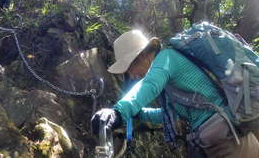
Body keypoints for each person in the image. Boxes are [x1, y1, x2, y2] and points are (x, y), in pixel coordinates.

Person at [91, 30, 259, 158]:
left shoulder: (167, 58)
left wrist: (118, 112)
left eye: (129, 70)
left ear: (140, 56)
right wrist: (139, 113)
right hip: (218, 142)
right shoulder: (170, 81)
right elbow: (169, 115)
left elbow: (149, 85)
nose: (132, 76)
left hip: (231, 142)